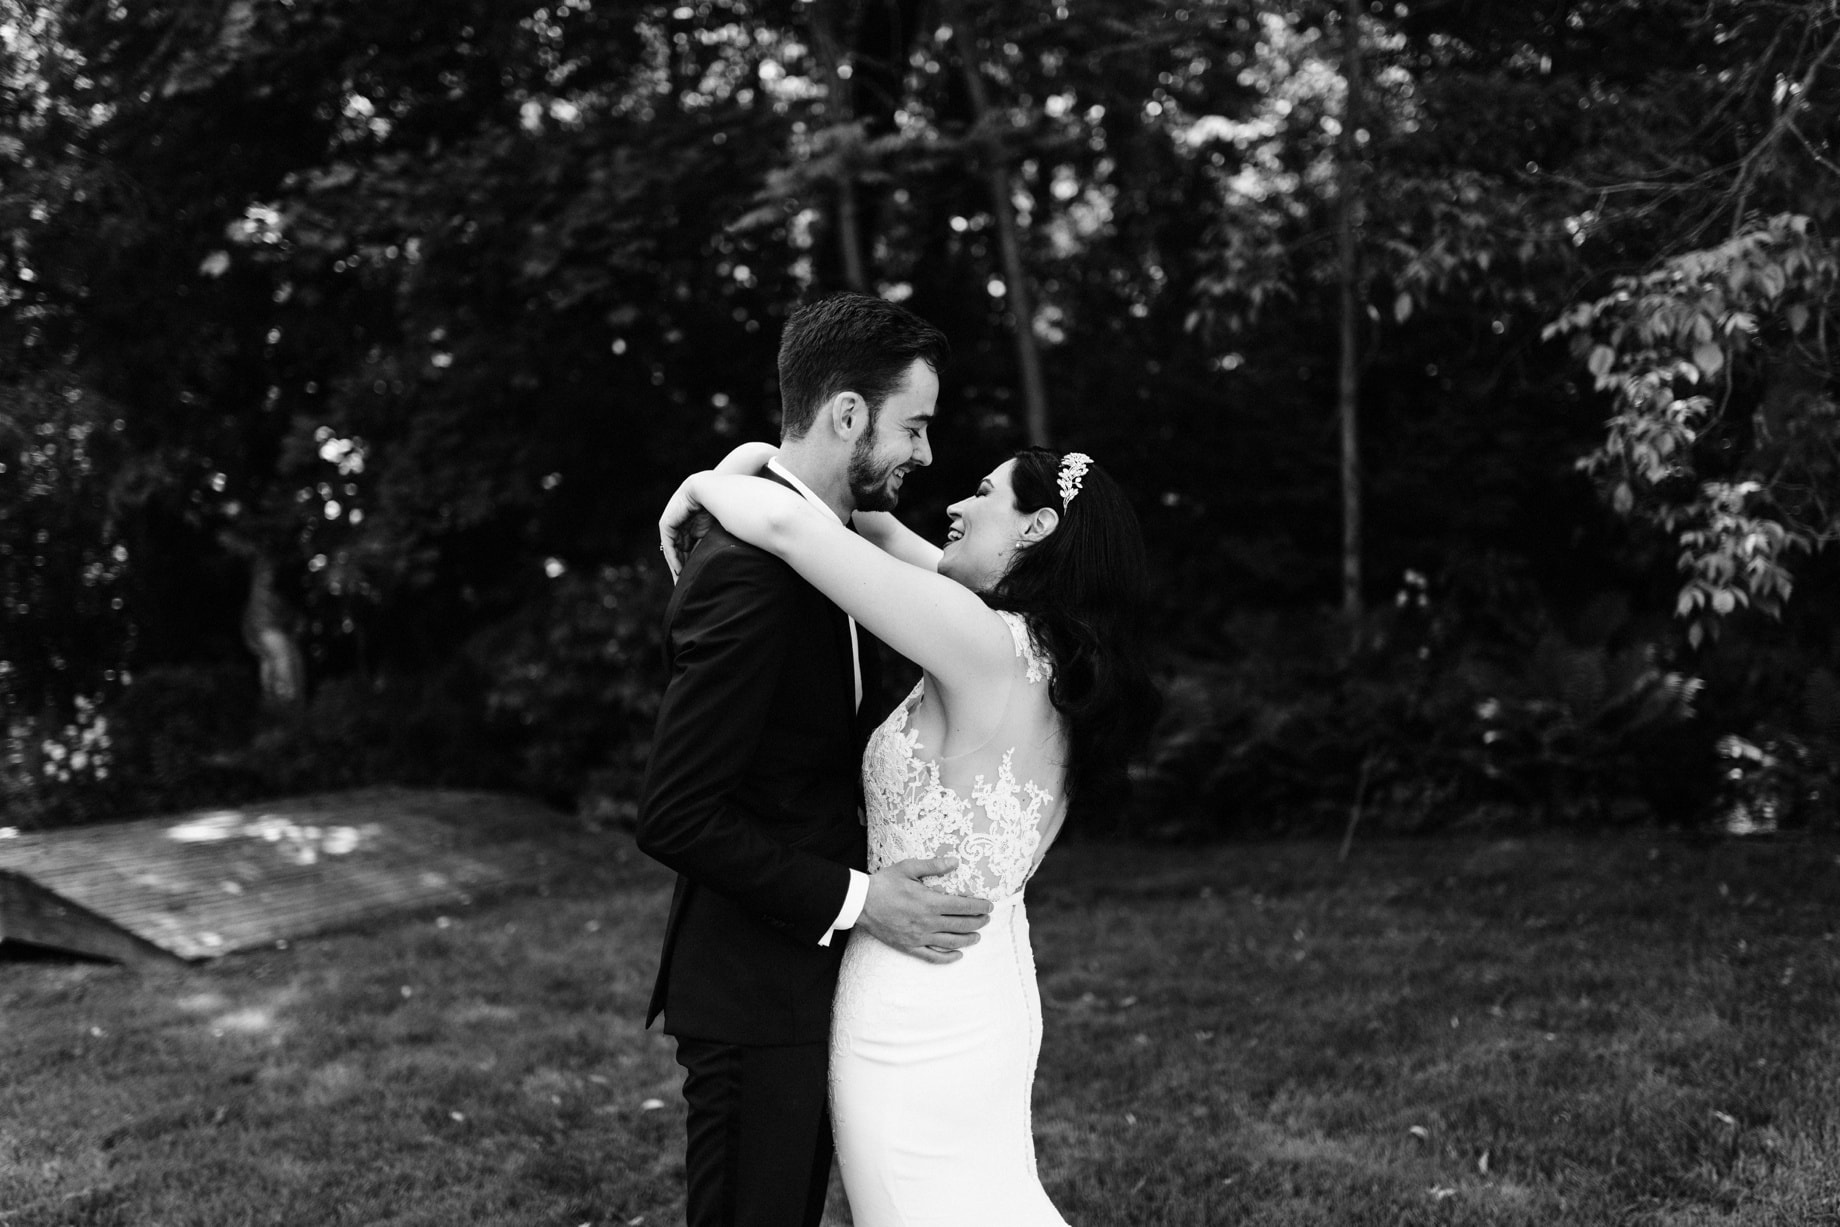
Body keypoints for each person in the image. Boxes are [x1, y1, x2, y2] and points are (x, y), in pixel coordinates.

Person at [657, 441, 1159, 1226]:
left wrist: (698, 482)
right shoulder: (1047, 651)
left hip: (917, 1009)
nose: (955, 504)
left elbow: (795, 529)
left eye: (984, 492)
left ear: (1035, 527)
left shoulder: (979, 639)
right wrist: (764, 452)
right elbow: (875, 528)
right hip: (984, 984)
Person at [634, 292, 996, 1227]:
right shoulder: (750, 571)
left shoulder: (829, 546)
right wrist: (863, 898)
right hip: (755, 994)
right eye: (912, 425)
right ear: (846, 414)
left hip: (817, 986)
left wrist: (726, 469)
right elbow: (676, 812)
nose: (922, 453)